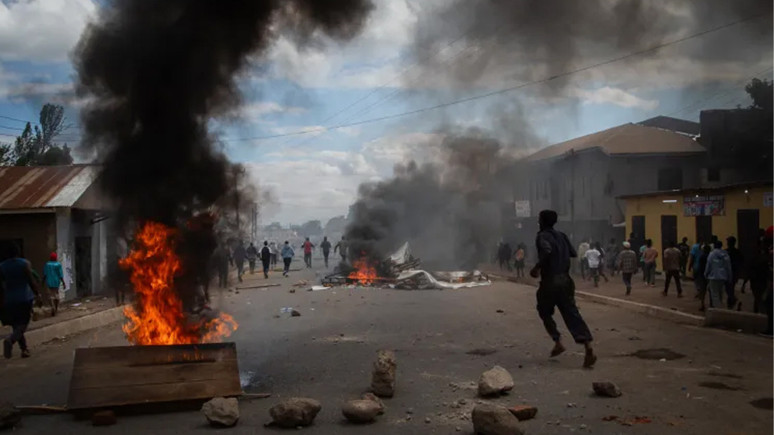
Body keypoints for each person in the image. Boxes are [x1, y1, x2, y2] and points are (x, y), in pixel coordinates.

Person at [529, 210, 596, 369]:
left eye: (539, 219)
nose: (538, 221)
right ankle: (588, 347)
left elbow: (546, 251)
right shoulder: (562, 236)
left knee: (544, 311)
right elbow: (573, 253)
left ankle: (557, 341)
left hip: (551, 280)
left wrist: (537, 267)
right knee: (571, 313)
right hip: (566, 280)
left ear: (542, 221)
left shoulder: (542, 236)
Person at [0, 244, 40, 359]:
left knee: (16, 325)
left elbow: (1, 287)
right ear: (18, 252)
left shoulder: (2, 266)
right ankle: (11, 340)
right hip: (24, 298)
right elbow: (31, 281)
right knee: (23, 324)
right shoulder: (24, 263)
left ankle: (24, 349)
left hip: (9, 300)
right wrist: (38, 295)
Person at [705, 240, 732, 310]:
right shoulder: (725, 254)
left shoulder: (711, 254)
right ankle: (720, 307)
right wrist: (729, 277)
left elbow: (708, 265)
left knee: (714, 294)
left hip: (713, 276)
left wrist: (705, 274)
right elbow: (728, 267)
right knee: (720, 294)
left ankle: (717, 309)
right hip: (723, 277)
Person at [42, 252, 66, 316]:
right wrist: (63, 282)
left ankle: (52, 306)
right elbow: (60, 274)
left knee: (50, 295)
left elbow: (45, 274)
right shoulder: (58, 265)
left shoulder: (47, 265)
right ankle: (56, 307)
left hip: (49, 282)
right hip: (56, 282)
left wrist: (42, 282)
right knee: (56, 294)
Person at [725, 236, 743, 310]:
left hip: (733, 273)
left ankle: (732, 301)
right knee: (728, 288)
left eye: (728, 241)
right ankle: (732, 300)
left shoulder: (735, 252)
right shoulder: (727, 251)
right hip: (729, 273)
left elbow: (741, 261)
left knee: (730, 288)